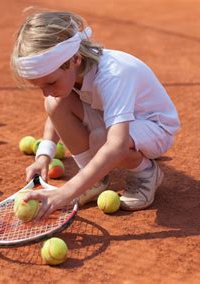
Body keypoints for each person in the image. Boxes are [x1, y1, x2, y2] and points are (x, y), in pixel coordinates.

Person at [10, 10, 180, 220]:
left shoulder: (113, 75)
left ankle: (146, 172)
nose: (45, 91)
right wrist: (43, 156)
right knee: (54, 104)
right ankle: (95, 180)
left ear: (75, 60)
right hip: (118, 121)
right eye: (39, 86)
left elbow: (116, 145)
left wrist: (66, 191)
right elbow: (55, 112)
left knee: (102, 139)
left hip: (155, 127)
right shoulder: (72, 73)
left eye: (51, 82)